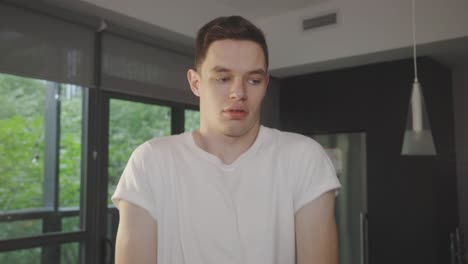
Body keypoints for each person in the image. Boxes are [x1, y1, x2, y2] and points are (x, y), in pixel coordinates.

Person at [112, 15, 341, 264]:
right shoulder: (151, 163)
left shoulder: (303, 158)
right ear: (195, 82)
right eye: (223, 78)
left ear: (265, 84)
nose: (238, 93)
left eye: (253, 80)